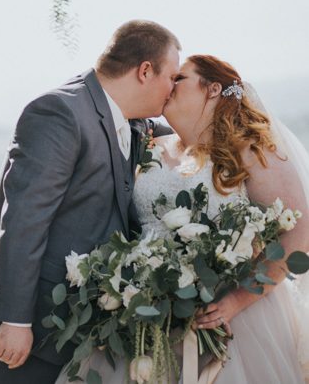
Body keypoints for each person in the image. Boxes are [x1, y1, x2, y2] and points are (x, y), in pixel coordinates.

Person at [0, 20, 181, 383]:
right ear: (145, 70)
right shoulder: (60, 113)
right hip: (24, 324)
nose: (173, 90)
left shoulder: (133, 123)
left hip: (73, 329)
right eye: (172, 77)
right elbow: (23, 217)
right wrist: (15, 319)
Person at [65, 55, 309, 383]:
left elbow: (298, 237)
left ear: (212, 89)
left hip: (232, 317)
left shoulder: (250, 151)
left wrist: (235, 301)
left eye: (179, 78)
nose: (169, 84)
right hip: (147, 312)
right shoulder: (152, 148)